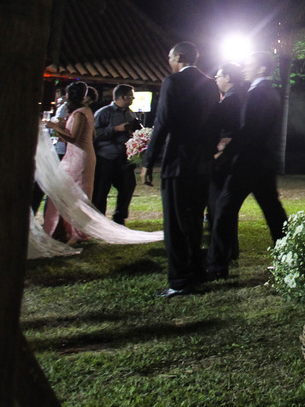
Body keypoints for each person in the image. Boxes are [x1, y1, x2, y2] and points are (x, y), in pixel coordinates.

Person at [141, 42, 220, 298]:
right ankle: (196, 270)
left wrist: (148, 160)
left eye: (170, 56)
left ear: (179, 57)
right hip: (202, 164)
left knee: (174, 224)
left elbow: (162, 121)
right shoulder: (210, 84)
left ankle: (179, 280)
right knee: (195, 220)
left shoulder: (172, 82)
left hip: (178, 163)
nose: (168, 61)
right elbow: (213, 125)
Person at [207, 50, 287, 279]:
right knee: (273, 212)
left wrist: (225, 155)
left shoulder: (259, 93)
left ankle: (216, 265)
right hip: (262, 163)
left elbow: (250, 131)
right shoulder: (265, 92)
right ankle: (289, 254)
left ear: (261, 68)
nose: (244, 68)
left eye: (249, 64)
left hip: (249, 163)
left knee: (224, 209)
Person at [41, 81, 96, 245]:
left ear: (68, 95)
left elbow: (73, 138)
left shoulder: (80, 113)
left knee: (74, 193)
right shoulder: (85, 111)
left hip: (79, 158)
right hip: (76, 155)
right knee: (64, 191)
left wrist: (53, 126)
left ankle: (74, 231)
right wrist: (62, 129)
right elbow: (91, 136)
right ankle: (61, 230)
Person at [206, 62, 245, 258]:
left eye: (218, 76)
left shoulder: (231, 100)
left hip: (224, 160)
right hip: (231, 158)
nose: (216, 80)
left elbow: (227, 130)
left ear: (228, 77)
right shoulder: (238, 96)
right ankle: (228, 250)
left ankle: (223, 252)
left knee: (218, 206)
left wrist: (219, 150)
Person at [92, 84, 141, 224]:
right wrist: (115, 129)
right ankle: (98, 222)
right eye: (132, 96)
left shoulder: (130, 113)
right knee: (101, 192)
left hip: (124, 158)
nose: (133, 99)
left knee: (128, 186)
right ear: (124, 97)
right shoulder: (103, 113)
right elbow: (94, 134)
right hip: (106, 157)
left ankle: (119, 219)